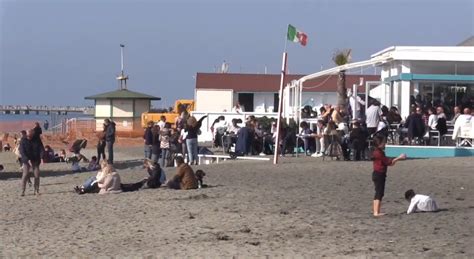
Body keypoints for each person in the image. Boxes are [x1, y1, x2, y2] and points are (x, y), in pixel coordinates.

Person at [371, 135, 406, 216]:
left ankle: (376, 211)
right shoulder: (379, 153)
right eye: (383, 143)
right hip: (379, 174)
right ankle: (376, 212)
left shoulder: (376, 152)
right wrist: (399, 158)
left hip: (377, 174)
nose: (385, 144)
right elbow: (389, 163)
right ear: (379, 143)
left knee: (378, 192)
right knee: (379, 193)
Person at [19, 129, 43, 196]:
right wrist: (27, 159)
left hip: (36, 160)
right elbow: (22, 152)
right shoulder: (23, 140)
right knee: (25, 175)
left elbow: (41, 148)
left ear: (33, 134)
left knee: (37, 175)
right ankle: (22, 191)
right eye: (28, 135)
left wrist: (41, 156)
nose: (29, 137)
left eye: (31, 135)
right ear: (26, 134)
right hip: (26, 161)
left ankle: (36, 191)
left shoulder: (37, 140)